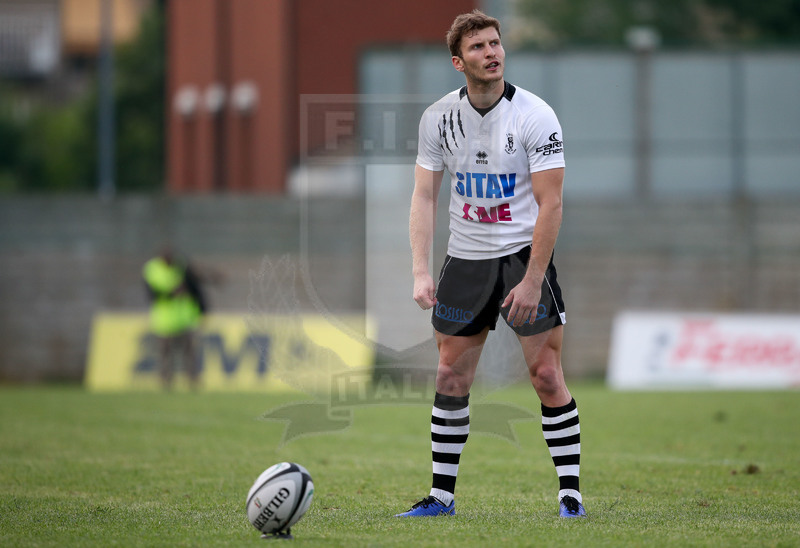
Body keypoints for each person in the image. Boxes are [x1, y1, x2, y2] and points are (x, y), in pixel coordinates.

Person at [397, 10, 586, 518]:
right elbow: (423, 197)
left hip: (523, 258)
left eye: (496, 43)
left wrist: (530, 280)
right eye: (479, 47)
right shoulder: (438, 117)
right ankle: (441, 498)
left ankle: (570, 497)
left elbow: (553, 204)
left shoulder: (535, 115)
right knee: (449, 377)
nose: (492, 52)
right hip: (466, 261)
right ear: (459, 62)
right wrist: (420, 270)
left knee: (546, 374)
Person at [142, 246, 207, 389]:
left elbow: (195, 287)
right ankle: (165, 384)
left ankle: (193, 383)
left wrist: (202, 308)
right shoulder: (152, 270)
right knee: (165, 355)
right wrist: (173, 293)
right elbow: (153, 294)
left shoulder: (181, 267)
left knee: (189, 354)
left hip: (184, 320)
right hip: (164, 322)